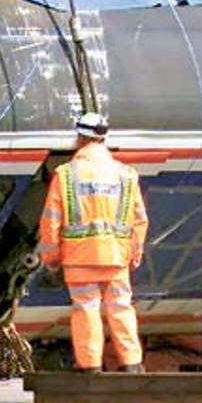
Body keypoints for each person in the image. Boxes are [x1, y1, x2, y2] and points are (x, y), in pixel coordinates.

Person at [38, 112, 149, 372]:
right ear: (103, 138)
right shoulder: (126, 174)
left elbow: (51, 221)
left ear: (80, 138)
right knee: (121, 306)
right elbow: (140, 219)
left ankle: (89, 365)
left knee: (86, 308)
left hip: (79, 258)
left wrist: (51, 259)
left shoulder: (65, 175)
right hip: (116, 257)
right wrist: (134, 252)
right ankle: (132, 363)